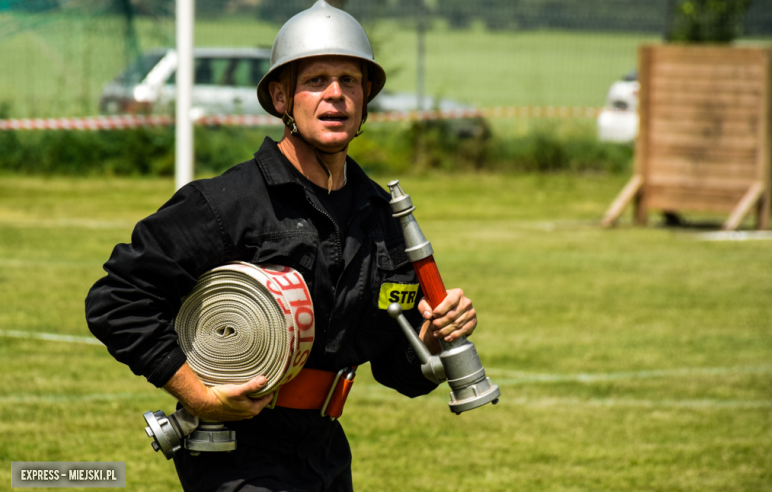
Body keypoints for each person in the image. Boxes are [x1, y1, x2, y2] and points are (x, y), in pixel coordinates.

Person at [85, 2, 478, 491]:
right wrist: (197, 395)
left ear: (366, 99)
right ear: (280, 97)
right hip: (232, 452)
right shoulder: (227, 203)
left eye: (350, 81)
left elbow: (397, 370)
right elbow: (116, 299)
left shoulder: (383, 218)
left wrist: (434, 337)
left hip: (325, 450)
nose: (336, 95)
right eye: (316, 81)